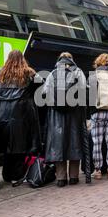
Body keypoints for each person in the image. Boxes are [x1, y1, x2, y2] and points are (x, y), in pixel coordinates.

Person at [0, 50, 42, 186]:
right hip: (21, 115)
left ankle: (6, 175)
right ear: (22, 59)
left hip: (2, 114)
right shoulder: (28, 73)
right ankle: (17, 175)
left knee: (6, 146)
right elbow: (41, 83)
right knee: (20, 146)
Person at [44, 52, 88, 187]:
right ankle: (74, 177)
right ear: (71, 60)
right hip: (75, 114)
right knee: (74, 143)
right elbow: (84, 89)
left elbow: (45, 92)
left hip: (56, 115)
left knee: (58, 144)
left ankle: (61, 178)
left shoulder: (53, 73)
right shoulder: (78, 72)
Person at [89, 53, 108, 180]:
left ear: (98, 62)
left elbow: (89, 95)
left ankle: (97, 170)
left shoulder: (94, 75)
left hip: (98, 111)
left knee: (97, 142)